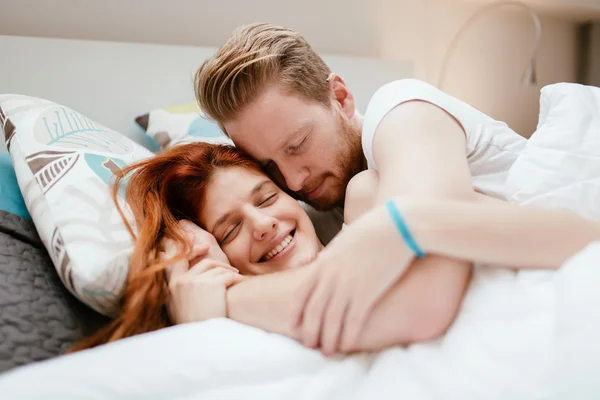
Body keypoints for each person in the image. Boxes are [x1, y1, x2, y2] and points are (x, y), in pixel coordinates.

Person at [72, 142, 600, 355]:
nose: (262, 225)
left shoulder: (372, 203)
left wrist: (228, 301)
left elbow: (578, 239)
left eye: (268, 197)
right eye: (228, 230)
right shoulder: (217, 309)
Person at [192, 22, 530, 354]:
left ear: (340, 97)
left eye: (297, 145)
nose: (293, 181)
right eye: (268, 167)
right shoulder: (312, 217)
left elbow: (424, 301)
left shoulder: (403, 111)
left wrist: (230, 299)